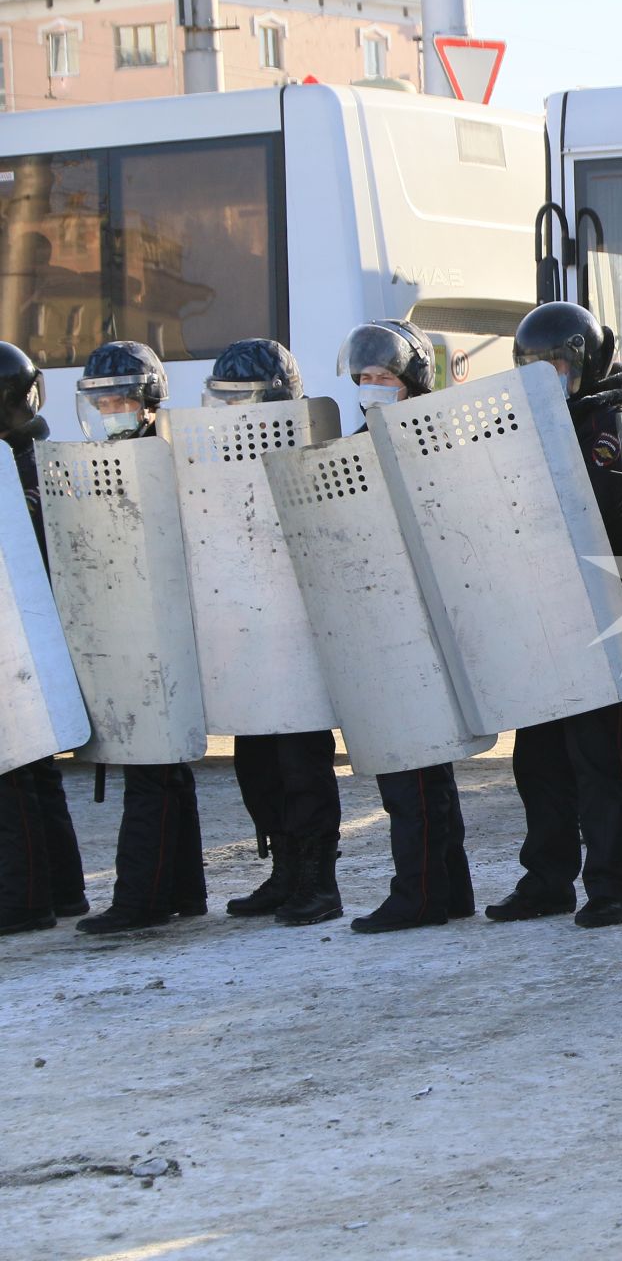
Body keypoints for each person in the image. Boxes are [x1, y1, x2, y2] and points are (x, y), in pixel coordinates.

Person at [488, 302, 622, 929]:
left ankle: (611, 885)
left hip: (599, 613)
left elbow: (612, 510)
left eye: (559, 364)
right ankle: (547, 877)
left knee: (597, 760)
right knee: (538, 760)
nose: (549, 376)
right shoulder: (516, 425)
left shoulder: (613, 425)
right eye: (535, 366)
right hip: (539, 612)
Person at [334, 320, 478, 933]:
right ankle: (448, 888)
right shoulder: (359, 442)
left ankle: (417, 893)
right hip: (380, 616)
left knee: (412, 765)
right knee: (425, 767)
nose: (372, 389)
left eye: (384, 378)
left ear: (412, 383)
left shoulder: (430, 442)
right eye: (364, 379)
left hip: (420, 621)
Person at [64, 342, 208, 935]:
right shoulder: (105, 457)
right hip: (134, 625)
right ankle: (181, 890)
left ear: (147, 401)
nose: (111, 409)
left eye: (121, 398)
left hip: (162, 627)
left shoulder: (161, 457)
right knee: (164, 770)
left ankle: (141, 899)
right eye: (102, 400)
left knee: (151, 770)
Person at [203, 340, 348, 928]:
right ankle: (285, 868)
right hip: (247, 631)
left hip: (301, 637)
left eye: (245, 399)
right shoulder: (212, 457)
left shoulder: (311, 447)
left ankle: (319, 879)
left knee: (301, 766)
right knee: (257, 765)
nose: (233, 411)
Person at [0, 340, 89, 935]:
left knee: (15, 772)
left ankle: (26, 897)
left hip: (24, 628)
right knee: (35, 770)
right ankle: (62, 888)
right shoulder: (38, 453)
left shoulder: (27, 464)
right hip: (37, 629)